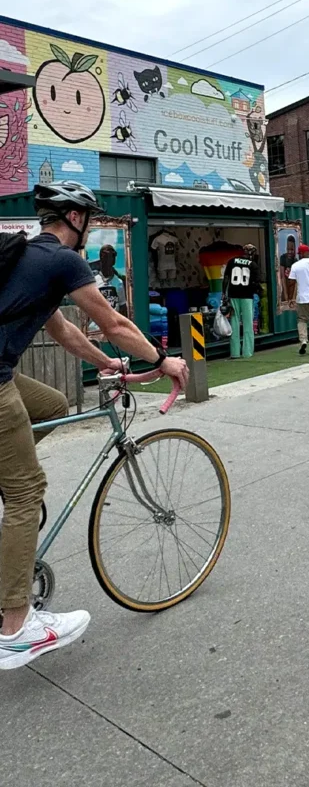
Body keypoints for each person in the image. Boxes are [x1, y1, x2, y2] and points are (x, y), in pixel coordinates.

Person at [0, 181, 188, 670]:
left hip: (6, 377)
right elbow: (115, 322)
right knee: (25, 493)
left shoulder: (29, 257)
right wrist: (162, 360)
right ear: (75, 219)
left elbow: (61, 330)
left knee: (54, 403)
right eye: (90, 218)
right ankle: (15, 629)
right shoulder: (63, 260)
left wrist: (109, 364)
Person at [222, 244, 262, 359]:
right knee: (248, 324)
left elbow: (226, 279)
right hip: (247, 296)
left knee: (234, 322)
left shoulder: (232, 261)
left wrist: (224, 294)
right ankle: (247, 352)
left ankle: (234, 352)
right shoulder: (253, 265)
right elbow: (257, 282)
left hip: (233, 295)